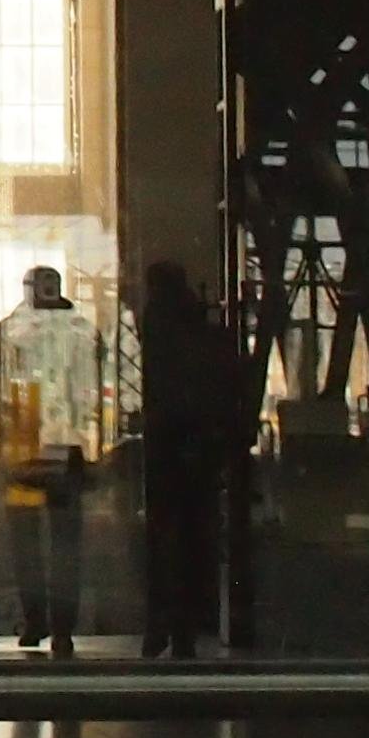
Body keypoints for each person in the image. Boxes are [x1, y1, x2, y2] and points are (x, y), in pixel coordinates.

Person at [0, 265, 102, 656]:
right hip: (43, 448)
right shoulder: (76, 329)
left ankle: (49, 623)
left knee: (40, 541)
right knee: (46, 542)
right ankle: (47, 622)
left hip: (42, 449)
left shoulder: (14, 330)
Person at [135, 260, 244, 659]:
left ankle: (161, 625)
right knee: (195, 539)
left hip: (165, 446)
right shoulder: (205, 331)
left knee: (162, 540)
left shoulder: (156, 327)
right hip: (199, 448)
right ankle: (184, 630)